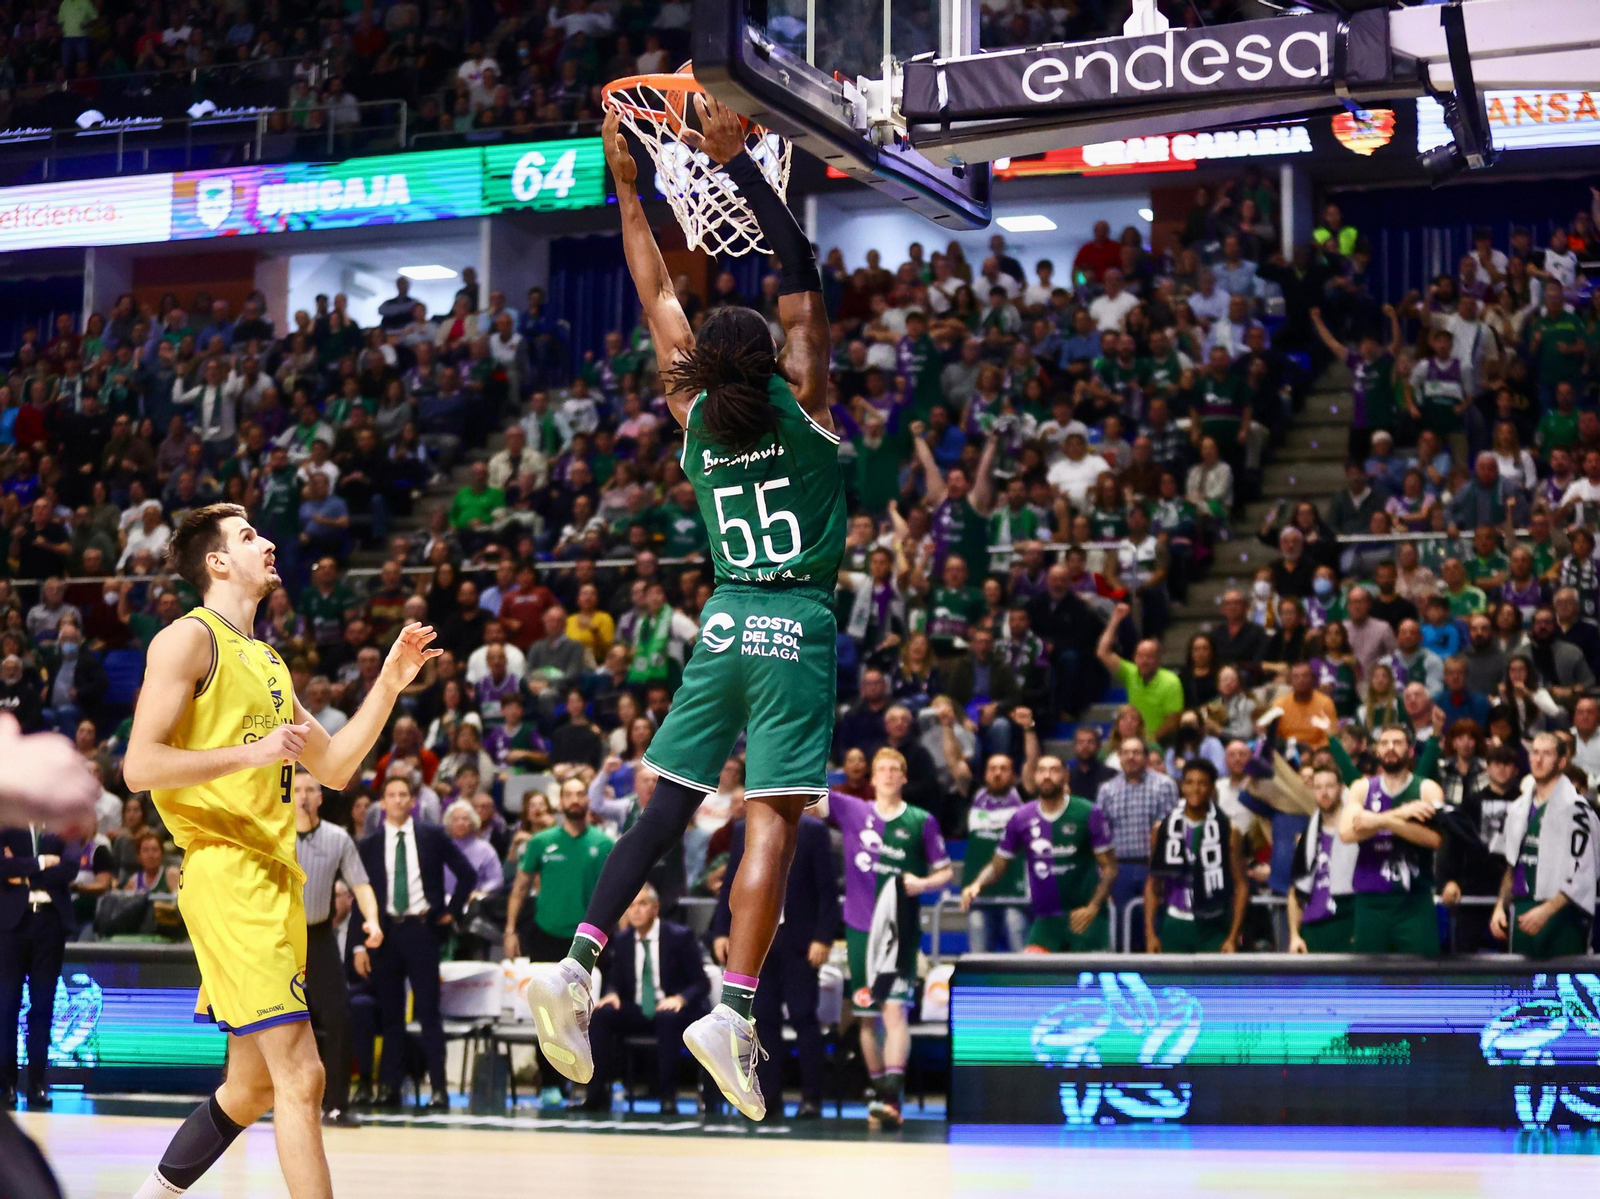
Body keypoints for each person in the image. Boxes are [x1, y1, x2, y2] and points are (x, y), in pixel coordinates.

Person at [523, 99, 847, 1123]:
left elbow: (654, 280)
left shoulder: (688, 407)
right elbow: (799, 269)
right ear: (781, 361)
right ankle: (734, 1009)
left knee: (665, 801)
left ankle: (577, 962)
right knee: (772, 822)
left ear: (709, 364)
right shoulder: (806, 404)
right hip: (792, 621)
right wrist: (745, 168)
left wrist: (630, 186)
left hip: (720, 621)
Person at [120, 502, 439, 1199]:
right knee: (304, 1075)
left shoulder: (267, 662)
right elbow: (138, 766)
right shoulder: (186, 640)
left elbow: (338, 767)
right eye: (247, 536)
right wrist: (253, 752)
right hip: (228, 870)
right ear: (216, 561)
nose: (267, 543)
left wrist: (389, 680)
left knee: (251, 1084)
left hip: (274, 877)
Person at [815, 749, 950, 1130]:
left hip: (900, 932)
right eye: (883, 769)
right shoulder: (851, 809)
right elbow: (813, 797)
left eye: (896, 769)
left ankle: (892, 1094)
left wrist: (922, 883)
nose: (889, 775)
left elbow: (944, 873)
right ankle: (878, 1092)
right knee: (867, 1017)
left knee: (895, 1011)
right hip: (859, 930)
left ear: (904, 777)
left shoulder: (921, 821)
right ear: (872, 779)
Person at [356, 775, 473, 1110]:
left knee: (428, 1013)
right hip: (386, 933)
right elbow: (358, 896)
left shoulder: (432, 835)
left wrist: (450, 911)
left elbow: (467, 873)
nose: (396, 800)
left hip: (423, 929)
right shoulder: (370, 843)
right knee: (391, 1016)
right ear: (382, 802)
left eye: (403, 794)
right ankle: (389, 1089)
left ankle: (438, 1088)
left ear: (412, 801)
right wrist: (359, 945)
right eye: (390, 795)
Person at [710, 812, 837, 1121]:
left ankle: (812, 1099)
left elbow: (827, 890)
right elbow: (732, 885)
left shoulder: (814, 830)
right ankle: (768, 1099)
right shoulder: (744, 827)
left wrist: (823, 937)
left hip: (800, 943)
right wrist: (721, 931)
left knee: (804, 1017)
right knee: (762, 1021)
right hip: (756, 941)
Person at [290, 768, 381, 1123]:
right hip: (279, 939)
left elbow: (361, 886)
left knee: (339, 1016)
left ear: (320, 797)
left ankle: (338, 1103)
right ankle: (260, 1097)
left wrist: (371, 919)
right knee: (263, 1019)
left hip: (319, 935)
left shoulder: (337, 838)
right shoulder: (272, 835)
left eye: (311, 789)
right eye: (297, 789)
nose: (304, 796)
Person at [960, 754, 1117, 951]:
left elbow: (1110, 868)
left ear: (1065, 777)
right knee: (1032, 976)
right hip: (1045, 922)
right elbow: (998, 864)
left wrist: (1093, 907)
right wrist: (977, 884)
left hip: (1085, 918)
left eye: (1053, 770)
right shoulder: (1021, 817)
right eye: (1041, 771)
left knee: (1089, 981)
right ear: (1034, 777)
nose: (1047, 776)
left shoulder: (1088, 812)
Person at [585, 885, 712, 1113]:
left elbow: (701, 983)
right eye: (631, 906)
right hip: (638, 1008)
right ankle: (596, 1096)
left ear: (655, 908)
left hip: (674, 1010)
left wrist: (680, 999)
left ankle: (668, 1098)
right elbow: (616, 980)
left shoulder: (679, 937)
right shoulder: (622, 940)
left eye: (642, 904)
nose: (636, 911)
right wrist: (612, 993)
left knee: (667, 1019)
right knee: (602, 1016)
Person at [1337, 726, 1446, 956]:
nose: (1390, 748)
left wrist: (1379, 821)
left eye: (1397, 743)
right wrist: (1401, 814)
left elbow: (1435, 839)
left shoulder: (1427, 789)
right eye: (1384, 743)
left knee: (1421, 980)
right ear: (1376, 750)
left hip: (1415, 901)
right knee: (1367, 983)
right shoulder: (1362, 787)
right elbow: (1346, 833)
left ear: (1410, 750)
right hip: (1371, 901)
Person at [1490, 733, 1597, 959]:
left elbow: (1583, 873)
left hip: (1562, 915)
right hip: (1522, 909)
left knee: (1563, 989)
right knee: (1521, 990)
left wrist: (1546, 911)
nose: (1538, 760)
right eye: (1534, 752)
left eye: (1546, 754)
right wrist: (1500, 906)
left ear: (1561, 762)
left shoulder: (1578, 810)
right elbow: (1512, 864)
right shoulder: (1518, 808)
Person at [1, 818, 75, 1109]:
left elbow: (69, 869)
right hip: (10, 926)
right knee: (6, 1006)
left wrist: (24, 871)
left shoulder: (62, 821)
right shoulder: (5, 820)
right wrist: (44, 862)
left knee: (43, 1007)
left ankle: (37, 1085)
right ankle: (5, 1085)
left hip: (50, 922)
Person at [1144, 760, 1249, 953]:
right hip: (1175, 923)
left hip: (1214, 924)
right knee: (1172, 984)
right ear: (1182, 786)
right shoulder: (1162, 829)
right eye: (1189, 782)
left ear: (1211, 788)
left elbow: (1241, 885)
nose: (1195, 788)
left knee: (1214, 983)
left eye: (1202, 783)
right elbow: (1153, 883)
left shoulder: (1228, 830)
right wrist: (1150, 934)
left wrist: (1233, 936)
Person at [1096, 736, 1180, 953]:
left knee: (1154, 928)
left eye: (1136, 752)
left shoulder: (1164, 785)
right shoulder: (1106, 790)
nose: (1131, 757)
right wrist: (1102, 874)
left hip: (1153, 868)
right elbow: (1100, 837)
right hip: (1119, 869)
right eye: (1125, 752)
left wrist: (1166, 871)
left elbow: (1171, 832)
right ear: (1119, 757)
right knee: (1122, 931)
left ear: (1145, 757)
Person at [1287, 765, 1358, 953]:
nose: (1324, 793)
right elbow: (1296, 891)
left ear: (1342, 788)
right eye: (1318, 787)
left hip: (1346, 925)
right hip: (1312, 929)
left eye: (1329, 786)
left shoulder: (1357, 832)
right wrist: (1294, 935)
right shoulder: (1308, 836)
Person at [1096, 603, 1184, 743]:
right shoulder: (1130, 673)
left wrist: (1149, 743)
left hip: (1162, 744)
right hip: (1134, 741)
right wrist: (1115, 619)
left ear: (1158, 660)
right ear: (1135, 658)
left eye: (1149, 656)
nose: (1144, 661)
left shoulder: (1171, 681)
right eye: (1140, 656)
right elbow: (1102, 652)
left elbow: (1172, 723)